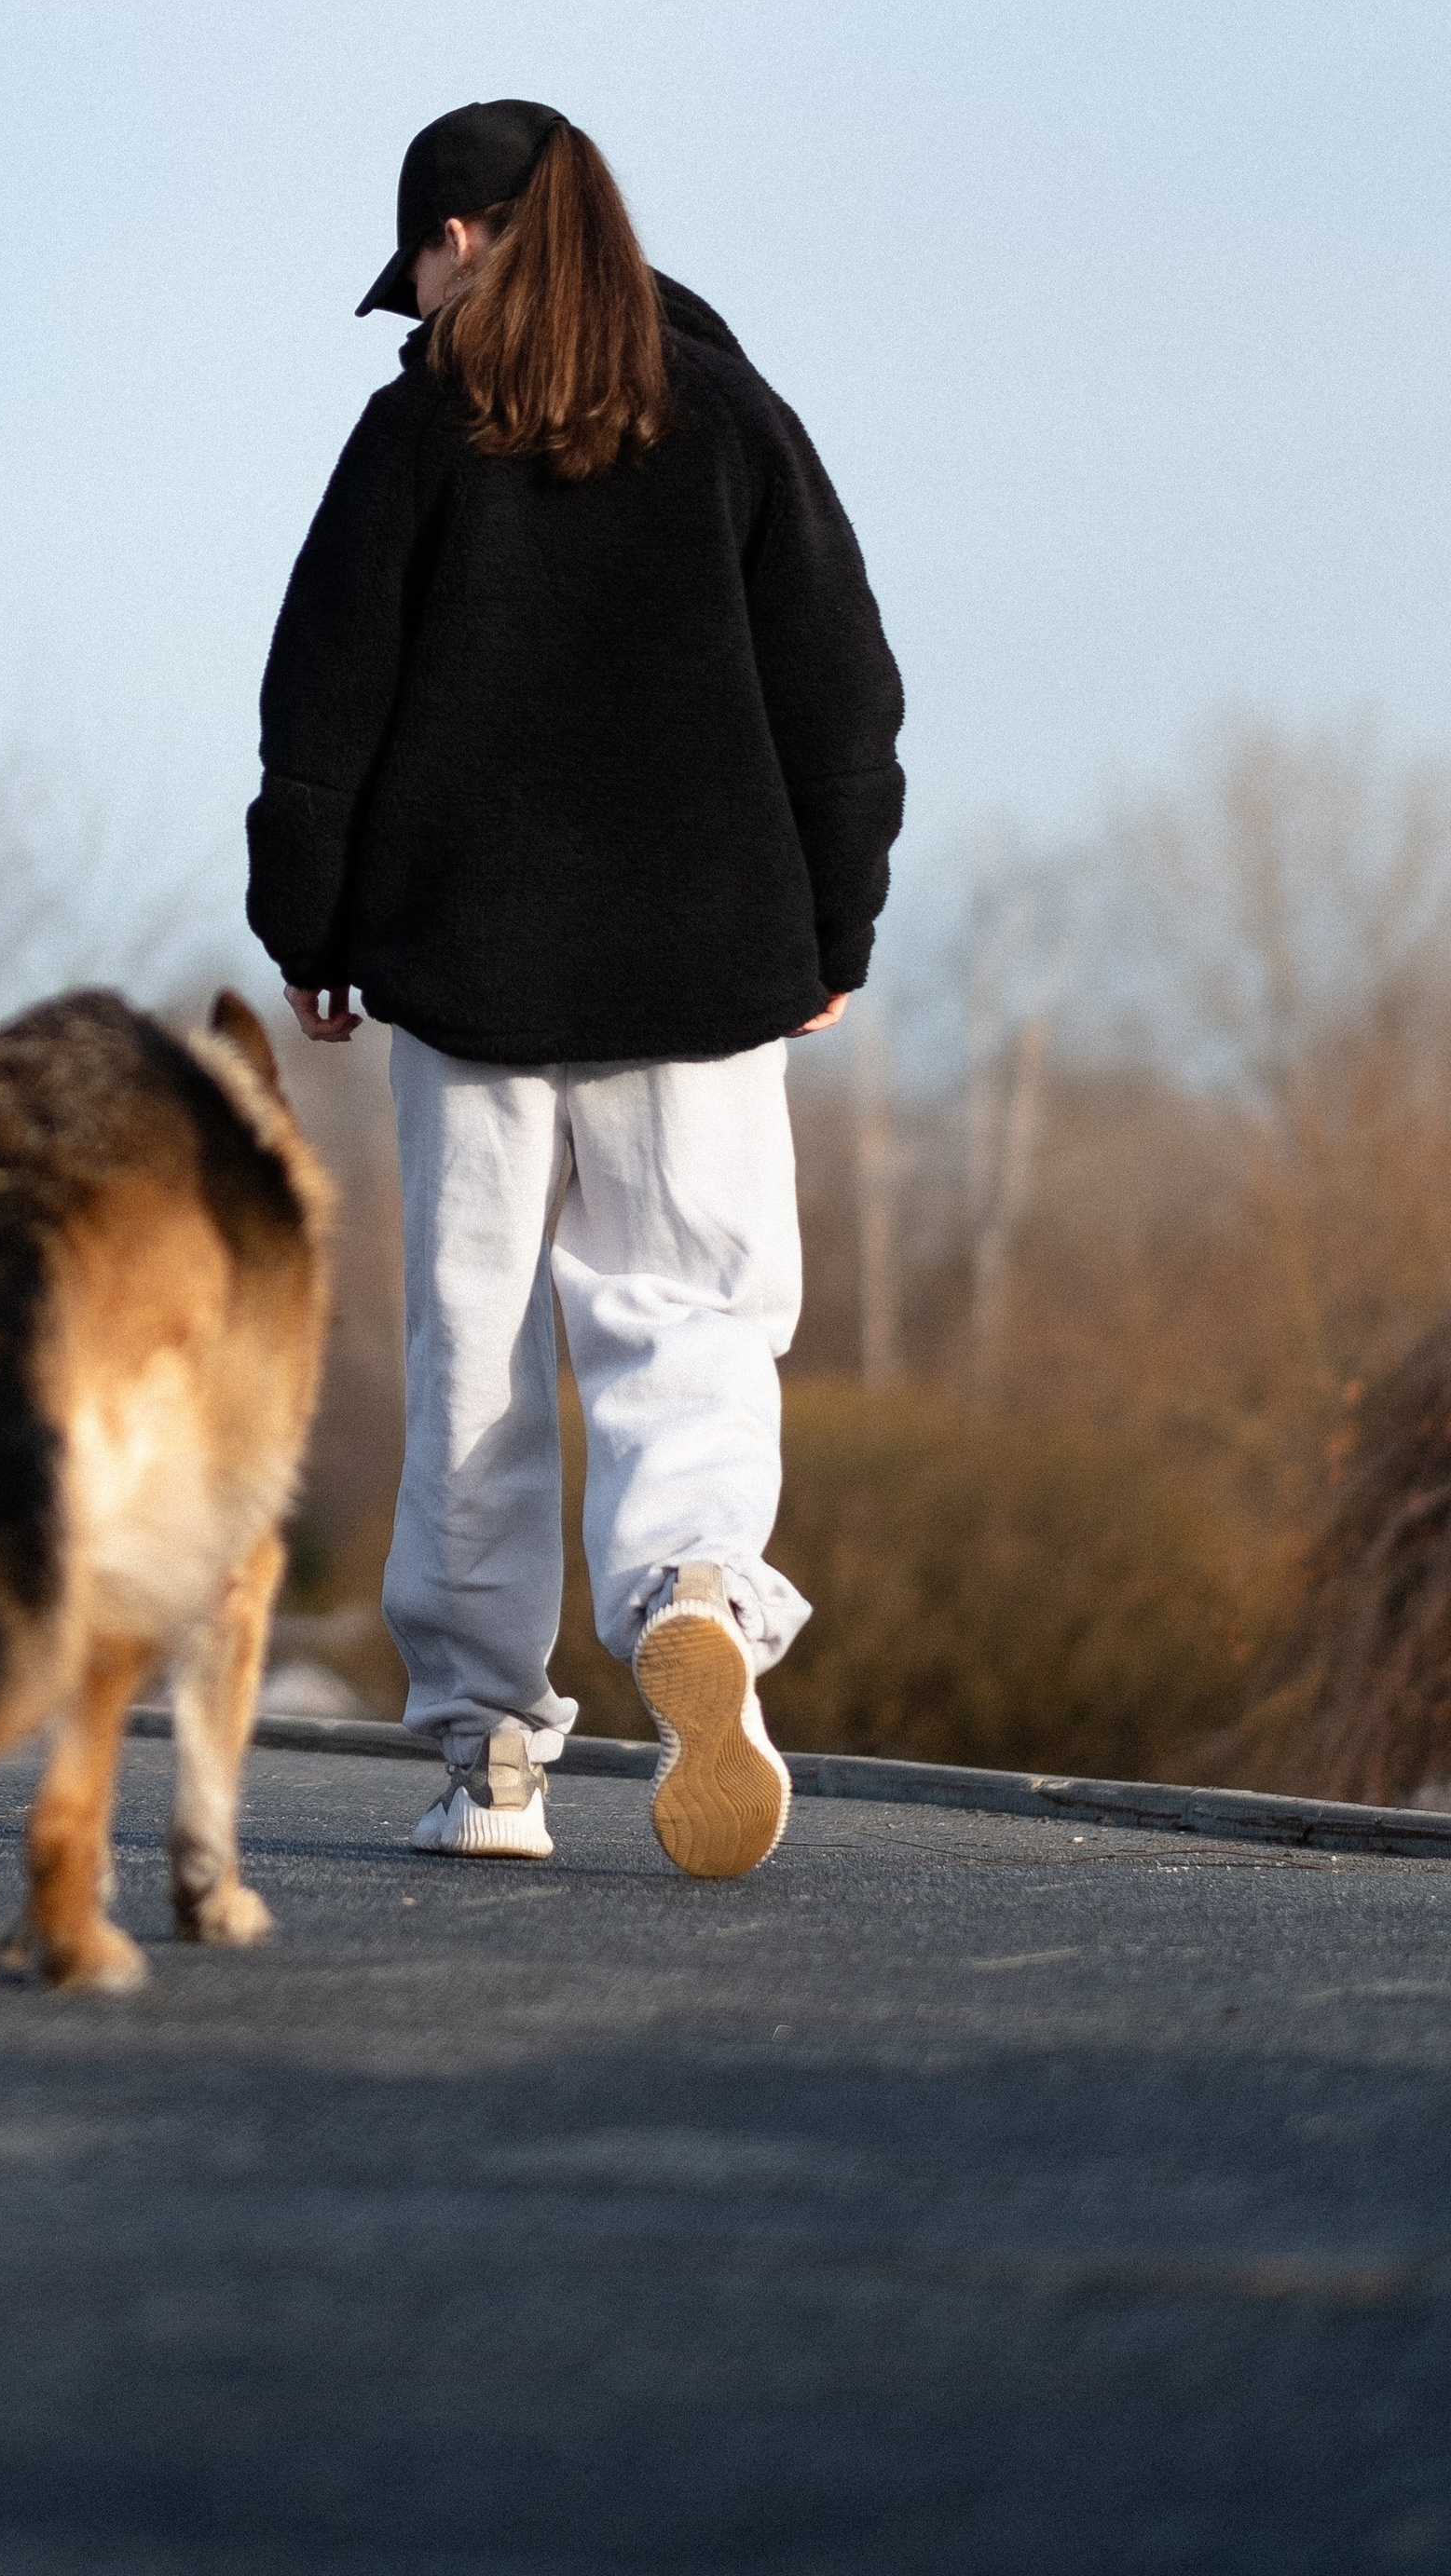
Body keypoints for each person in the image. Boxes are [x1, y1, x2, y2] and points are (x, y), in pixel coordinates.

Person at [246, 100, 902, 1880]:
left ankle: (489, 1760)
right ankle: (691, 1588)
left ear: (462, 240)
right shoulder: (733, 418)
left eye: (420, 283)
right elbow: (845, 692)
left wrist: (309, 927)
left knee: (479, 1346)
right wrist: (833, 928)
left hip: (470, 971)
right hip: (705, 964)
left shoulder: (415, 439)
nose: (418, 321)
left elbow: (321, 702)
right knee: (689, 1312)